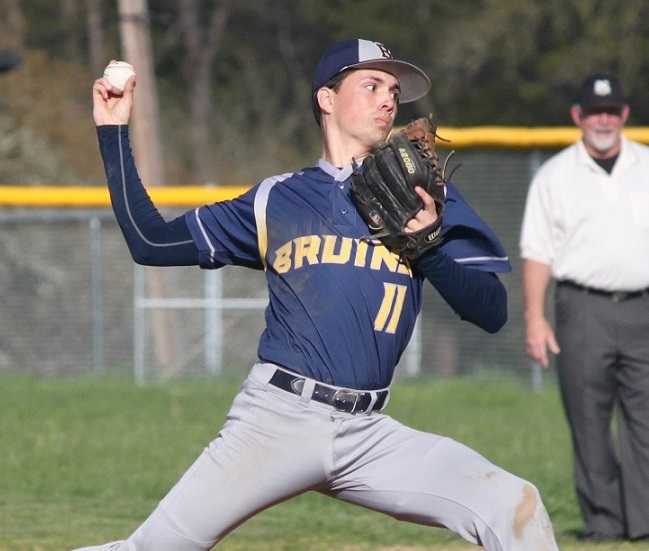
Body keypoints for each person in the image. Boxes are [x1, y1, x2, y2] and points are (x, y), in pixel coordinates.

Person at [77, 38, 559, 551]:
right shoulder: (276, 198)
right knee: (152, 549)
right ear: (326, 99)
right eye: (370, 85)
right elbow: (150, 242)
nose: (388, 101)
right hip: (276, 420)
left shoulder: (426, 195)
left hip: (368, 433)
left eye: (394, 90)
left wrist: (429, 248)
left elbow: (492, 311)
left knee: (512, 505)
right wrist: (113, 131)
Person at [520, 73, 649, 542]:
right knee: (589, 420)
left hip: (643, 309)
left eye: (611, 111)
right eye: (594, 111)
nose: (603, 120)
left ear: (624, 115)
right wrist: (535, 318)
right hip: (582, 309)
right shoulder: (554, 175)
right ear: (577, 116)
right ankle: (605, 524)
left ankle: (644, 523)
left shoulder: (647, 165)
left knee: (646, 421)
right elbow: (537, 252)